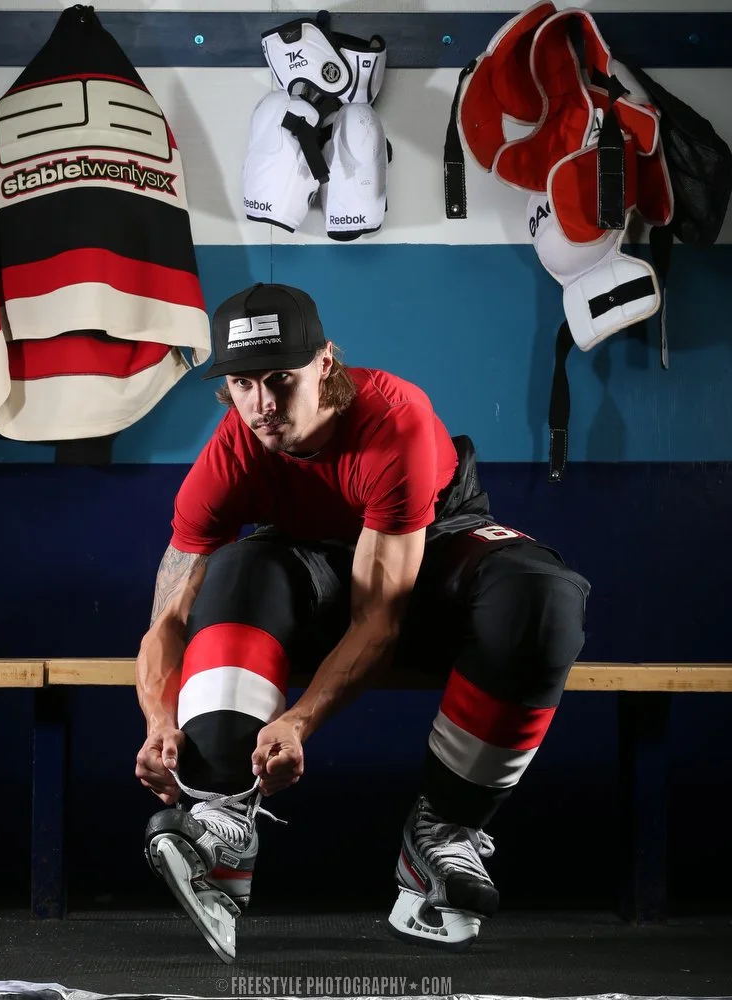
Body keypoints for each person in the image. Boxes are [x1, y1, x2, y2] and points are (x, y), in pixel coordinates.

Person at [134, 282, 590, 963]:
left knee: (542, 596)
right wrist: (158, 724)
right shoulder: (234, 449)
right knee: (237, 570)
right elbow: (167, 619)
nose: (261, 404)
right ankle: (222, 820)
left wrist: (298, 722)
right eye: (243, 384)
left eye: (280, 380)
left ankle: (443, 830)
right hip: (313, 560)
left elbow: (379, 621)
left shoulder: (393, 421)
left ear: (325, 364)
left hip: (430, 551)